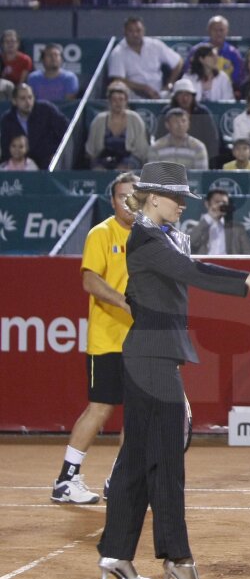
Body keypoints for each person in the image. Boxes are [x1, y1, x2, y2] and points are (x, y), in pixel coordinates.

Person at [97, 160, 250, 579]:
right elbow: (191, 273)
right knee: (167, 461)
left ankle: (116, 554)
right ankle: (178, 559)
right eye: (176, 198)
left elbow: (153, 288)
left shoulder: (165, 235)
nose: (182, 204)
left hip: (152, 357)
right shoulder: (144, 238)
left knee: (137, 459)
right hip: (150, 359)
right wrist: (249, 278)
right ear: (153, 197)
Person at [52, 173, 139, 503]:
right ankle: (65, 480)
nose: (127, 201)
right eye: (121, 196)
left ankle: (119, 479)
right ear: (113, 200)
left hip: (139, 342)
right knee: (100, 409)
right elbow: (90, 281)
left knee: (135, 413)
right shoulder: (101, 233)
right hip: (106, 339)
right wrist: (125, 303)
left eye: (134, 196)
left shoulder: (149, 237)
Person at [107, 15, 184, 99]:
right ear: (125, 32)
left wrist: (169, 84)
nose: (135, 34)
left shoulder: (155, 45)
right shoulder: (118, 52)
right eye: (131, 31)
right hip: (132, 95)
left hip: (160, 93)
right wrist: (144, 88)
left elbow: (178, 62)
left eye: (138, 30)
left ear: (143, 31)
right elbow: (118, 80)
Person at [84, 82, 148, 170]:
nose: (118, 103)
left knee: (122, 169)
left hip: (129, 158)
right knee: (98, 170)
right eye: (114, 100)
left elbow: (142, 148)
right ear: (109, 101)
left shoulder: (135, 119)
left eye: (121, 99)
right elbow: (91, 149)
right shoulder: (99, 120)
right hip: (104, 157)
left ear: (126, 101)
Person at [189, 187, 250, 254]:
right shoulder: (196, 226)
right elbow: (188, 244)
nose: (221, 205)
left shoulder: (238, 229)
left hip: (228, 263)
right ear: (207, 204)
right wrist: (209, 219)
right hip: (203, 263)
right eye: (217, 202)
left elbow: (249, 254)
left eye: (224, 203)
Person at [150, 107, 209, 171]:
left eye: (183, 121)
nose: (180, 125)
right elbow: (153, 175)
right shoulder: (156, 148)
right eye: (176, 121)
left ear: (189, 124)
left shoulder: (198, 147)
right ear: (167, 125)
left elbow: (200, 176)